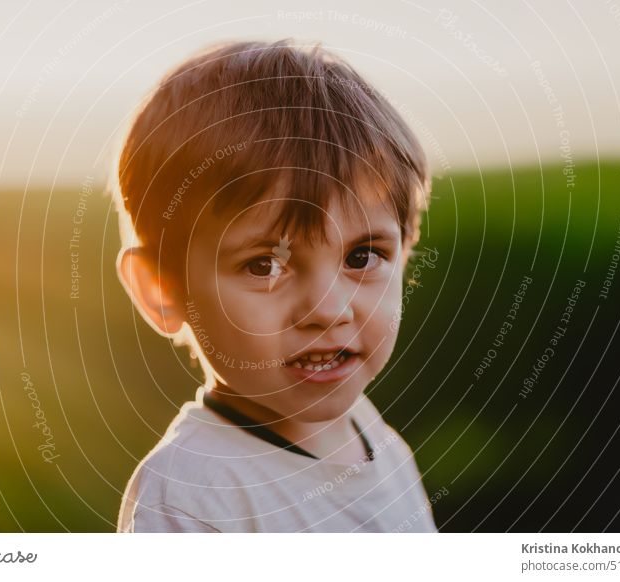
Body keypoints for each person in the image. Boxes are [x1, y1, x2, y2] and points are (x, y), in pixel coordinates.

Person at [113, 39, 437, 532]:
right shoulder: (191, 498)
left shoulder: (373, 435)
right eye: (264, 266)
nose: (329, 309)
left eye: (362, 256)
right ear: (161, 289)